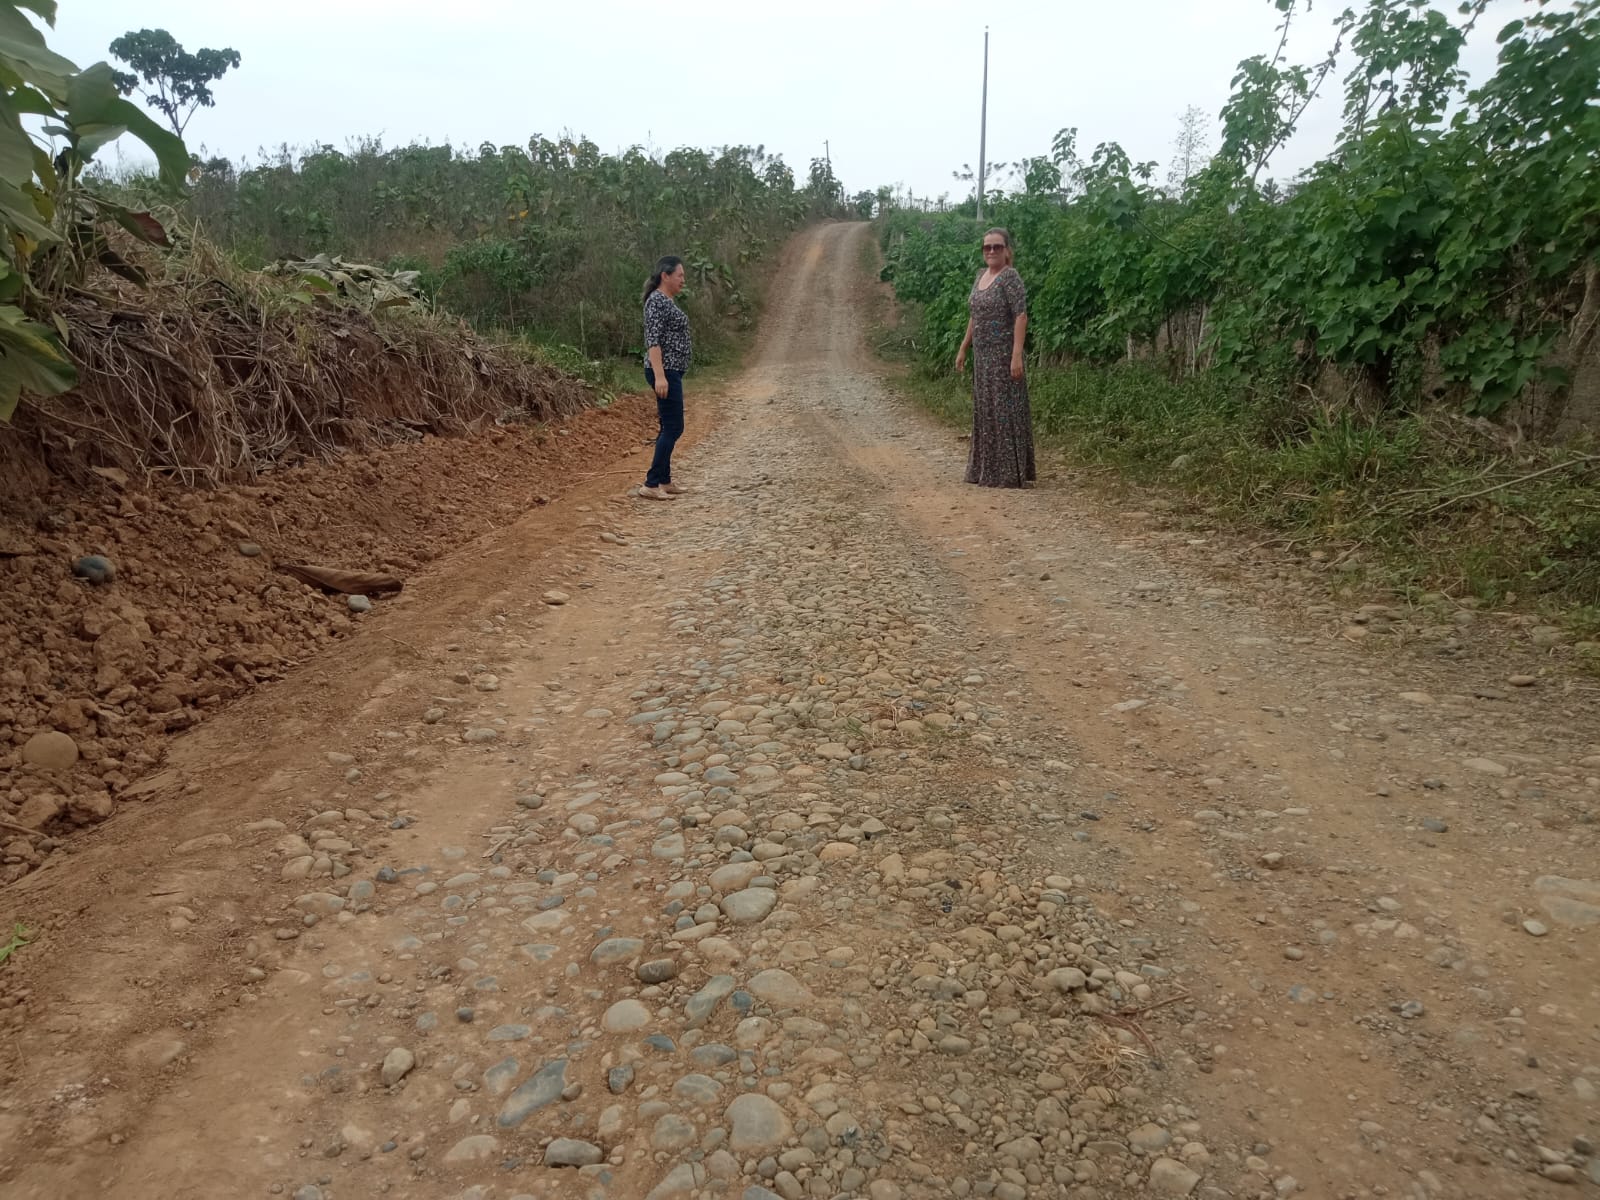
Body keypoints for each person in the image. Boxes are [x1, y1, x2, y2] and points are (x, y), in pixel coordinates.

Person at [954, 227, 1035, 488]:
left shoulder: (1010, 277)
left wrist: (1016, 355)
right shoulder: (981, 276)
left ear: (1006, 250)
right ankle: (986, 471)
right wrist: (964, 347)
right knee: (986, 410)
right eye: (987, 247)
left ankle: (1009, 473)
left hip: (1002, 356)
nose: (991, 251)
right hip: (982, 356)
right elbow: (974, 315)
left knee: (1004, 412)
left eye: (997, 246)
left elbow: (1020, 315)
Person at [640, 255, 692, 501]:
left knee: (668, 426)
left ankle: (664, 480)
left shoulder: (666, 300)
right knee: (674, 426)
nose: (683, 279)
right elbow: (653, 340)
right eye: (679, 275)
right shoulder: (657, 301)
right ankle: (651, 483)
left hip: (671, 370)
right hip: (664, 371)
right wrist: (660, 376)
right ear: (665, 276)